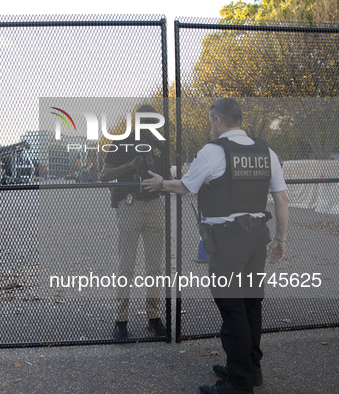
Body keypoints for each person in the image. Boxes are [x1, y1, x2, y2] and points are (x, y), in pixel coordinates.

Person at [142, 98, 289, 394]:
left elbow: (185, 186)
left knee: (232, 307)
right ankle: (250, 368)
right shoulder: (266, 151)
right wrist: (281, 239)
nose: (211, 126)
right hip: (258, 238)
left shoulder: (213, 151)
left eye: (211, 121)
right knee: (250, 304)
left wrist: (160, 183)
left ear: (218, 120)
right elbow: (281, 199)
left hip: (228, 240)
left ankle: (239, 381)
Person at [98, 104, 170, 339]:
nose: (150, 127)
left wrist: (163, 182)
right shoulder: (122, 142)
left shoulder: (159, 144)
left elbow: (167, 177)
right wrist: (130, 165)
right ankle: (121, 321)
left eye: (153, 122)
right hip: (130, 205)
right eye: (146, 122)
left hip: (155, 205)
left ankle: (154, 317)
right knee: (126, 266)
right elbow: (103, 175)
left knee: (154, 267)